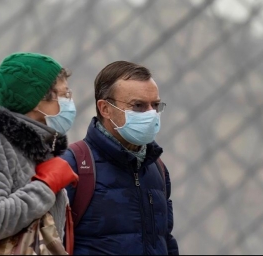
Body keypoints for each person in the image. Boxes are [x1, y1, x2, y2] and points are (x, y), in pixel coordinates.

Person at [0, 52, 79, 249]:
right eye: (65, 94)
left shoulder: (39, 146)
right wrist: (46, 185)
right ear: (39, 99)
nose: (69, 102)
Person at [62, 61, 179, 255]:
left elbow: (165, 239)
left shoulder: (157, 168)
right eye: (138, 106)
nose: (151, 114)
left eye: (155, 105)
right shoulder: (73, 165)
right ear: (105, 108)